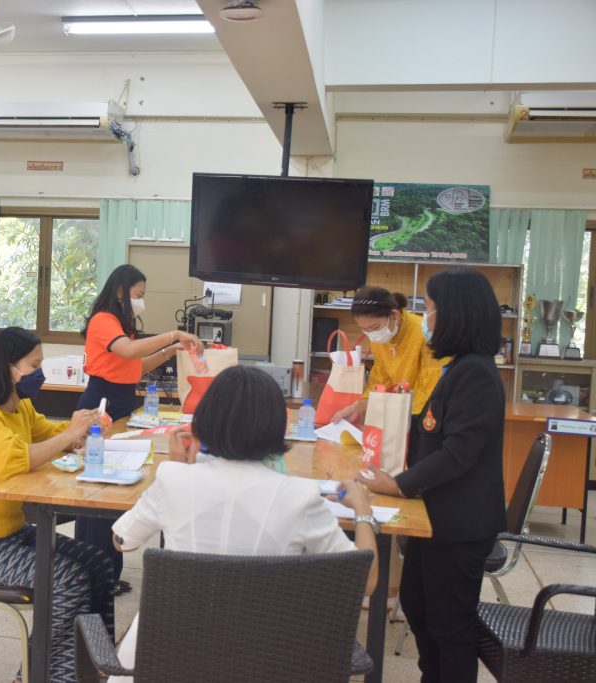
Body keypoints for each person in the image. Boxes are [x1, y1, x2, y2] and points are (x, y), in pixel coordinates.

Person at [109, 366, 379, 680]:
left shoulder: (173, 478)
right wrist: (363, 509)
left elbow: (122, 541)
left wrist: (181, 468)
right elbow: (366, 582)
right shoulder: (301, 496)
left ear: (205, 421)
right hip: (270, 664)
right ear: (278, 426)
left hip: (163, 663)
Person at [0, 327, 114, 683]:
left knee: (98, 563)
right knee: (68, 580)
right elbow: (13, 463)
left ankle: (93, 667)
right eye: (34, 365)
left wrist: (79, 428)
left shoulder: (19, 406)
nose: (39, 373)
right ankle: (36, 674)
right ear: (9, 367)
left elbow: (48, 434)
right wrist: (69, 435)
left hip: (10, 534)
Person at [359, 268, 506, 683]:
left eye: (430, 308)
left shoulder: (475, 373)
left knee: (449, 624)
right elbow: (430, 427)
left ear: (455, 314)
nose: (426, 318)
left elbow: (457, 453)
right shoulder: (458, 367)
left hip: (459, 523)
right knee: (419, 607)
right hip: (434, 515)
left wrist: (397, 484)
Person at [74, 264, 203, 594]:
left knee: (113, 493)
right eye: (138, 295)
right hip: (101, 406)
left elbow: (135, 366)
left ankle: (108, 574)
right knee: (97, 494)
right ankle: (93, 576)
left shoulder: (120, 326)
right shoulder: (104, 320)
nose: (140, 302)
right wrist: (174, 335)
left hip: (120, 404)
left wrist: (170, 352)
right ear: (121, 291)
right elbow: (129, 351)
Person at [332, 285, 448, 424]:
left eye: (374, 327)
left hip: (424, 418)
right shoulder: (380, 337)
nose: (371, 334)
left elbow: (429, 390)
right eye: (364, 329)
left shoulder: (424, 334)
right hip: (398, 414)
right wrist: (359, 406)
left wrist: (403, 423)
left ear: (394, 315)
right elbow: (381, 380)